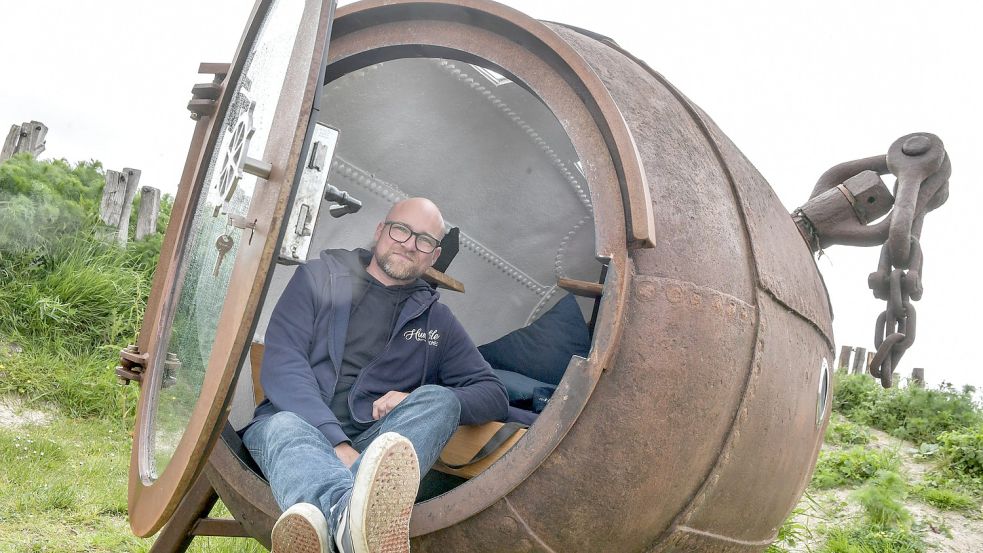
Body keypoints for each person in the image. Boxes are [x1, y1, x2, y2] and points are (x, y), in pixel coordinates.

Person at [241, 197, 508, 553]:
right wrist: (337, 444)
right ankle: (351, 526)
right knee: (285, 425)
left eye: (424, 241)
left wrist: (412, 400)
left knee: (441, 401)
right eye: (402, 230)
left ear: (433, 255)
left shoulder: (437, 323)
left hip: (375, 450)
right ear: (381, 231)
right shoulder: (318, 279)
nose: (410, 244)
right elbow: (284, 365)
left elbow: (494, 393)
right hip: (298, 429)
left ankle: (337, 525)